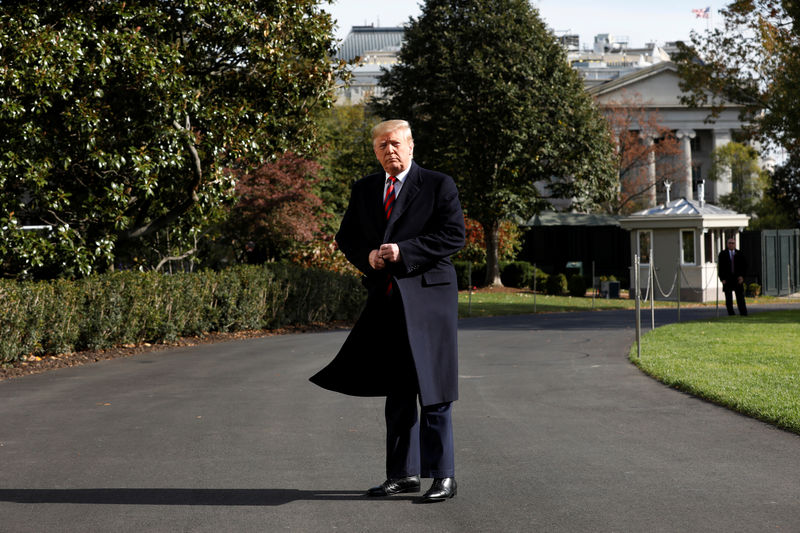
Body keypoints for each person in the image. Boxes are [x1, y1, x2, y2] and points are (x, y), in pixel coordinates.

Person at [310, 119, 465, 503]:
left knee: (434, 390)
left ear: (411, 146)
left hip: (430, 300)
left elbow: (453, 235)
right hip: (388, 299)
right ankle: (402, 475)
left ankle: (443, 476)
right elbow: (346, 236)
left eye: (395, 144)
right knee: (398, 392)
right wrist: (366, 256)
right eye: (381, 146)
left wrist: (404, 251)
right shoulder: (365, 188)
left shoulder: (437, 184)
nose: (389, 151)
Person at [718, 237, 748, 316]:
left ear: (735, 244)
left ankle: (743, 313)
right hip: (727, 279)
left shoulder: (740, 254)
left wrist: (742, 277)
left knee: (740, 297)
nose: (731, 245)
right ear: (727, 244)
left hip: (737, 278)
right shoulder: (723, 254)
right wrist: (722, 279)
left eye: (733, 243)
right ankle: (731, 313)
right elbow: (720, 267)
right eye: (730, 243)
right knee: (728, 298)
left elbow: (744, 266)